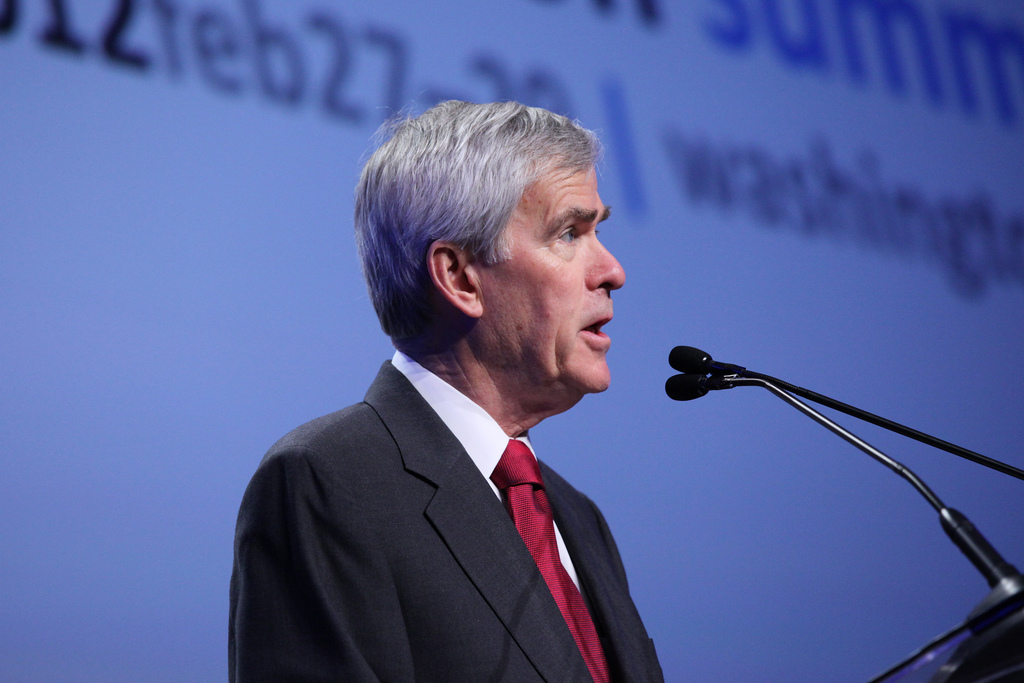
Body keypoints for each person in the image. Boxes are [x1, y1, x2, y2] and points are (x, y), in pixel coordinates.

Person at [229, 100, 663, 682]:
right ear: (460, 277)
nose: (613, 270)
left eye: (598, 231)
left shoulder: (579, 519)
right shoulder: (327, 483)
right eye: (569, 232)